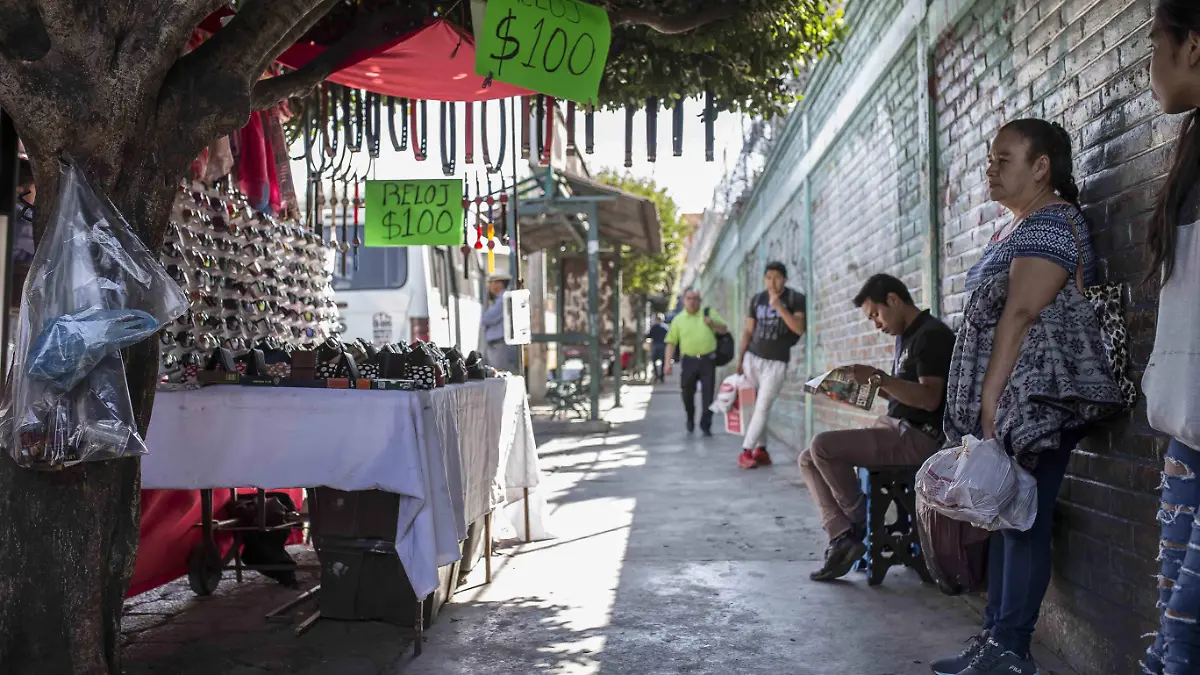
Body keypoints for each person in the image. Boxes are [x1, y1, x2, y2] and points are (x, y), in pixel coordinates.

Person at [930, 119, 1122, 675]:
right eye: (991, 159)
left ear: (1042, 167)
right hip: (1022, 400)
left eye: (1004, 158)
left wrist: (990, 402)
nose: (992, 168)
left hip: (1035, 402)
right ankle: (996, 639)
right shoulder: (1020, 226)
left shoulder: (1050, 224)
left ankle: (1011, 649)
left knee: (1022, 520)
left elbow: (1021, 312)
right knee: (1007, 515)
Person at [799, 273, 953, 581]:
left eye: (876, 315)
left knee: (822, 446)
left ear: (893, 300)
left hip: (919, 436)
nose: (876, 324)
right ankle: (841, 535)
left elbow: (930, 399)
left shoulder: (931, 335)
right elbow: (905, 392)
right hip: (896, 427)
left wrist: (881, 378)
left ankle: (861, 522)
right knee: (807, 458)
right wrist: (856, 389)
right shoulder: (906, 337)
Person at [1142, 4, 1200, 672]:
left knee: (1181, 640)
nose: (1148, 68)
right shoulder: (1191, 147)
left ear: (1192, 45)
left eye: (1153, 46)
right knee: (1170, 626)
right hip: (1187, 426)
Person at [735, 261, 806, 469]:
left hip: (776, 363)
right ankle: (761, 450)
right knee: (751, 406)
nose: (772, 282)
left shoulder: (795, 299)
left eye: (777, 277)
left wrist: (779, 307)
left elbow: (799, 329)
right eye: (768, 277)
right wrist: (740, 359)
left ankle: (745, 451)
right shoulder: (757, 299)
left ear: (784, 278)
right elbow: (748, 331)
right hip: (752, 359)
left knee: (763, 406)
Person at [663, 289, 728, 436]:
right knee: (687, 393)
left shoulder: (708, 313)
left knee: (708, 394)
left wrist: (712, 324)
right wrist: (668, 363)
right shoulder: (678, 319)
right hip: (689, 361)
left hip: (707, 360)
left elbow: (724, 330)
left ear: (700, 300)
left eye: (695, 299)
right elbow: (671, 342)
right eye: (689, 298)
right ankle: (690, 418)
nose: (692, 301)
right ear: (684, 301)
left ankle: (706, 424)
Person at [481, 272, 517, 372]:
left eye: (492, 282)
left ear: (499, 284)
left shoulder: (503, 299)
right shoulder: (499, 299)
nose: (490, 286)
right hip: (497, 343)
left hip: (500, 344)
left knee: (499, 373)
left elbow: (487, 318)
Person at [646, 313, 669, 382]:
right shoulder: (666, 328)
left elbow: (649, 336)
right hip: (663, 346)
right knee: (663, 362)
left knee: (654, 362)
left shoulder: (654, 327)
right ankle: (661, 376)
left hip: (655, 346)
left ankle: (656, 376)